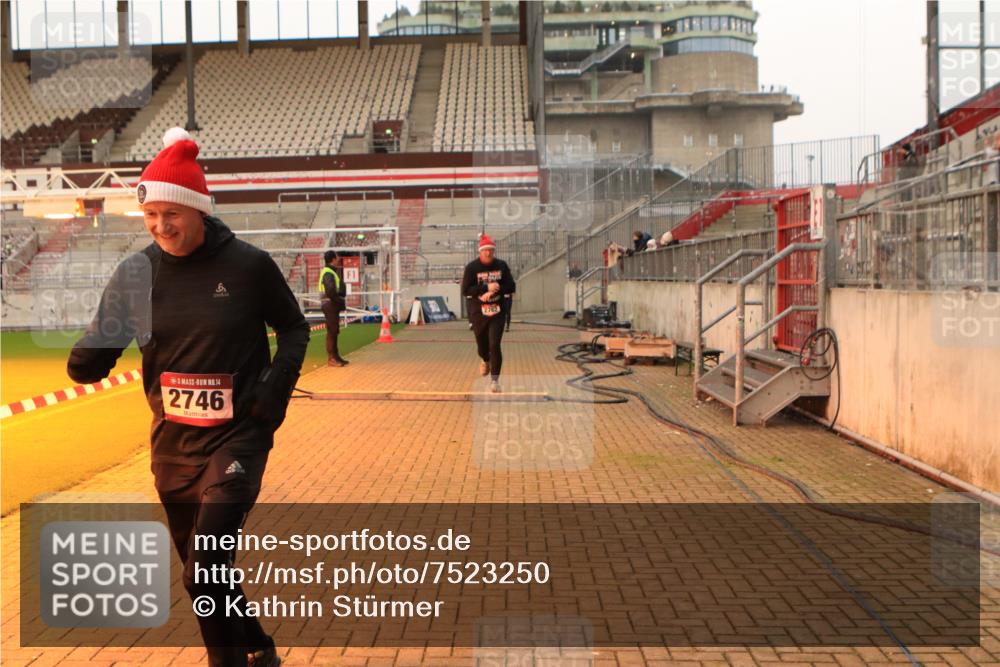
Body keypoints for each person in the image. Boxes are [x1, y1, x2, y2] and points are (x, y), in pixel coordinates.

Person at [67, 127, 309, 667]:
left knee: (204, 569)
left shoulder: (248, 266)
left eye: (171, 213)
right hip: (172, 444)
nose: (160, 226)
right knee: (204, 573)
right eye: (150, 215)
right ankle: (259, 645)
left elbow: (295, 329)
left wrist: (274, 390)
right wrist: (90, 356)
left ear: (199, 208)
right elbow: (107, 335)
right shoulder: (136, 273)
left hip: (238, 436)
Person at [461, 233, 515, 393]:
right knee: (482, 346)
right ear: (480, 251)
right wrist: (485, 288)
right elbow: (465, 290)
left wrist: (495, 289)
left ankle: (495, 381)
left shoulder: (501, 266)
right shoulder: (472, 268)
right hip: (479, 313)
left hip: (497, 312)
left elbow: (511, 286)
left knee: (495, 344)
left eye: (491, 250)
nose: (488, 253)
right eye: (485, 250)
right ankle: (485, 359)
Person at [319, 249, 348, 366]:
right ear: (332, 260)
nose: (338, 259)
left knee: (334, 330)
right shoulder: (328, 273)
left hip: (331, 303)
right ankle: (332, 358)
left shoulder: (330, 272)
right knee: (332, 331)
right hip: (330, 304)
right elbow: (330, 291)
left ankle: (336, 356)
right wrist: (339, 301)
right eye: (337, 257)